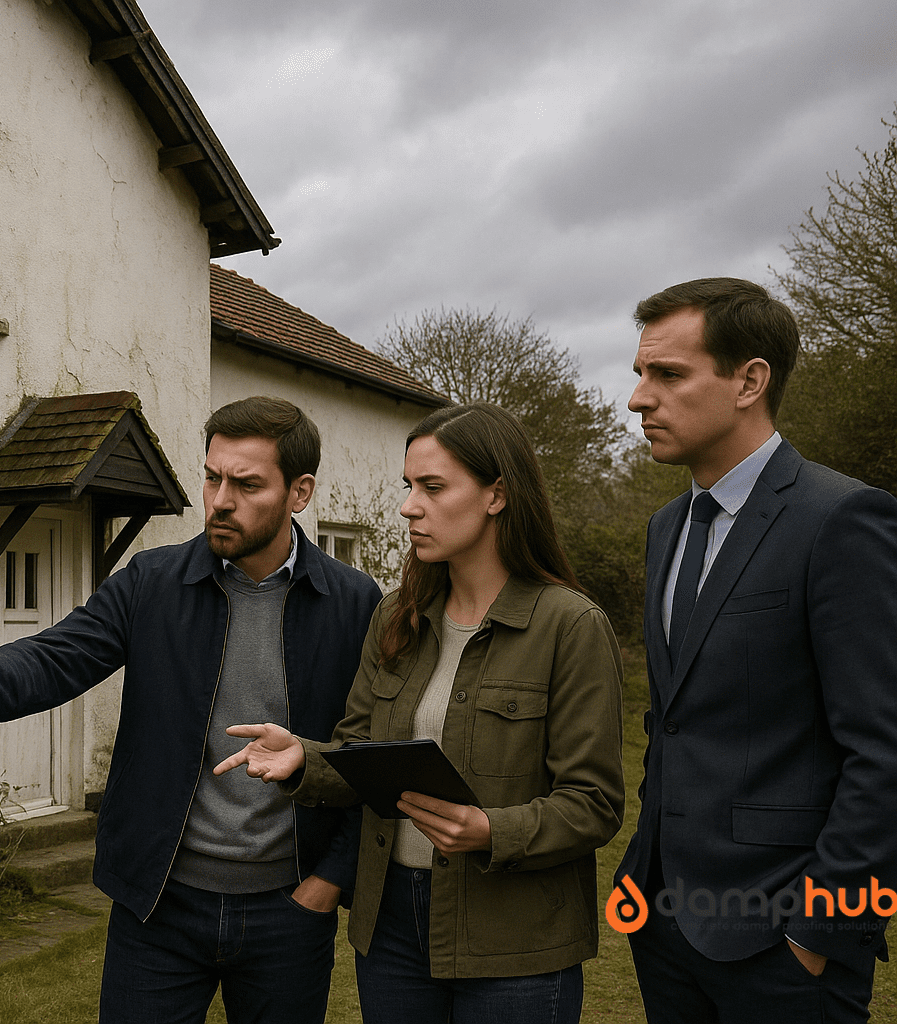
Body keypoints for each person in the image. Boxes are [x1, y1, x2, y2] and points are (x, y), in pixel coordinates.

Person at [0, 395, 382, 1024]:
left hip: (288, 909)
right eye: (212, 476)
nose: (219, 499)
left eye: (246, 484)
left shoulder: (353, 604)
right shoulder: (153, 582)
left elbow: (365, 755)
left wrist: (328, 882)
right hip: (159, 903)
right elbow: (56, 657)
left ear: (300, 492)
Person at [215, 401, 624, 1024]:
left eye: (432, 487)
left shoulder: (569, 625)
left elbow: (594, 803)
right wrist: (307, 757)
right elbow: (361, 751)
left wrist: (491, 830)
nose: (409, 505)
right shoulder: (397, 616)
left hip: (512, 938)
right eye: (409, 486)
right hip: (394, 928)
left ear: (497, 495)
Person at [614, 278, 897, 1023]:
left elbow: (884, 750)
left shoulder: (843, 519)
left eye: (667, 374)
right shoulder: (666, 528)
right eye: (640, 373)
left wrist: (820, 931)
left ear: (750, 381)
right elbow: (676, 720)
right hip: (665, 924)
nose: (639, 398)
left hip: (786, 947)